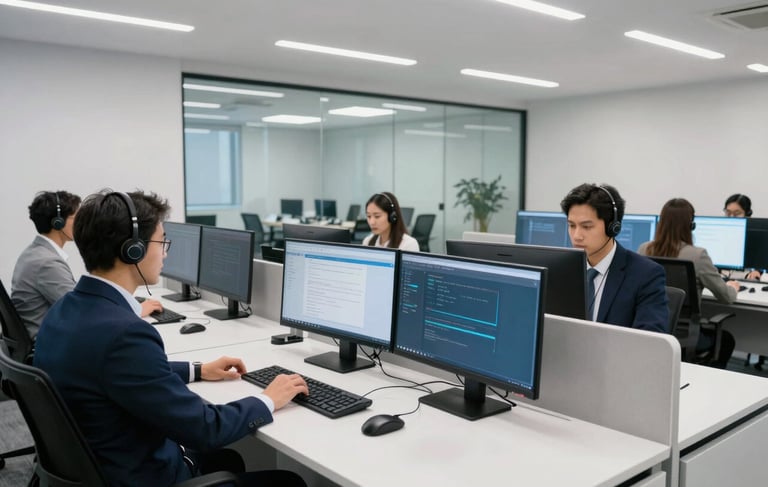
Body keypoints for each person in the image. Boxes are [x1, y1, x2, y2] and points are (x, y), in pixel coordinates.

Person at [33, 190, 308, 486]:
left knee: (228, 460)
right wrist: (267, 399)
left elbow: (119, 374)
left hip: (105, 464)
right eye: (161, 241)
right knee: (288, 481)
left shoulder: (65, 309)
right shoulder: (125, 334)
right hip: (144, 476)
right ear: (133, 250)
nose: (165, 251)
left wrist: (198, 369)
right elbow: (205, 429)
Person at [11, 191, 163, 339]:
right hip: (46, 343)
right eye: (75, 217)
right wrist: (137, 309)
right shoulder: (46, 263)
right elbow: (84, 311)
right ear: (59, 222)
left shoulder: (34, 253)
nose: (79, 222)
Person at [638, 198, 737, 369]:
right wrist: (733, 288)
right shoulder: (698, 255)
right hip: (685, 334)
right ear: (690, 225)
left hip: (650, 330)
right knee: (727, 340)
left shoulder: (644, 249)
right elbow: (726, 298)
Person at [560, 183, 668, 333]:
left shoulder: (646, 275)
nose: (577, 236)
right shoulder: (561, 269)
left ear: (613, 227)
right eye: (572, 225)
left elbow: (650, 340)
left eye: (587, 227)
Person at [723, 193, 764, 368]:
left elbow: (758, 268)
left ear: (747, 214)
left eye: (737, 213)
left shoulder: (757, 234)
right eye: (728, 212)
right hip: (729, 284)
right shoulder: (720, 234)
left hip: (749, 283)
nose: (732, 217)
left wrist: (754, 272)